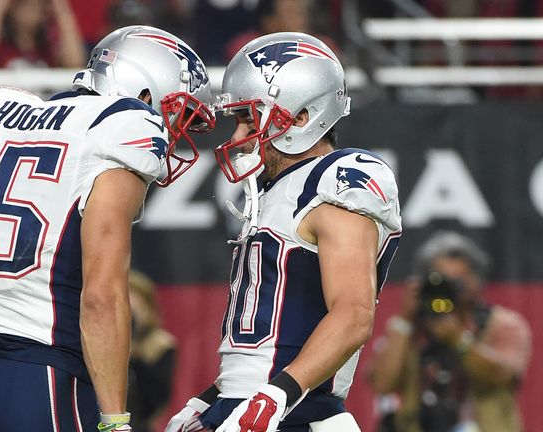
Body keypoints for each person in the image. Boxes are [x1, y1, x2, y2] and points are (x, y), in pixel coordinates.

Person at [0, 25, 214, 432]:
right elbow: (101, 297)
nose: (176, 131)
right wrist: (115, 421)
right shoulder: (119, 128)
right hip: (42, 378)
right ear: (145, 94)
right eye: (178, 112)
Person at [166, 32, 402, 432]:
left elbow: (353, 314)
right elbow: (266, 340)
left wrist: (275, 397)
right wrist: (210, 398)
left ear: (301, 116)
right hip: (250, 405)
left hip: (296, 412)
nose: (238, 138)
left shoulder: (335, 180)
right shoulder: (275, 190)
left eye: (248, 119)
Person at [367, 231, 532, 432]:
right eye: (441, 281)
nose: (449, 290)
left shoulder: (503, 325)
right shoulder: (410, 329)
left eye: (457, 282)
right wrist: (404, 321)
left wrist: (458, 339)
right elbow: (383, 384)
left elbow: (504, 376)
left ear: (476, 281)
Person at [127, 271, 176, 432]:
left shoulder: (159, 345)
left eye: (135, 308)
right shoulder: (92, 344)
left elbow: (156, 402)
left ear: (149, 309)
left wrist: (136, 356)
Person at [0, 0, 85, 68]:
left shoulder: (49, 46)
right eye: (25, 4)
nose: (32, 12)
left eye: (38, 6)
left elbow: (75, 62)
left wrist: (61, 9)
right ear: (12, 8)